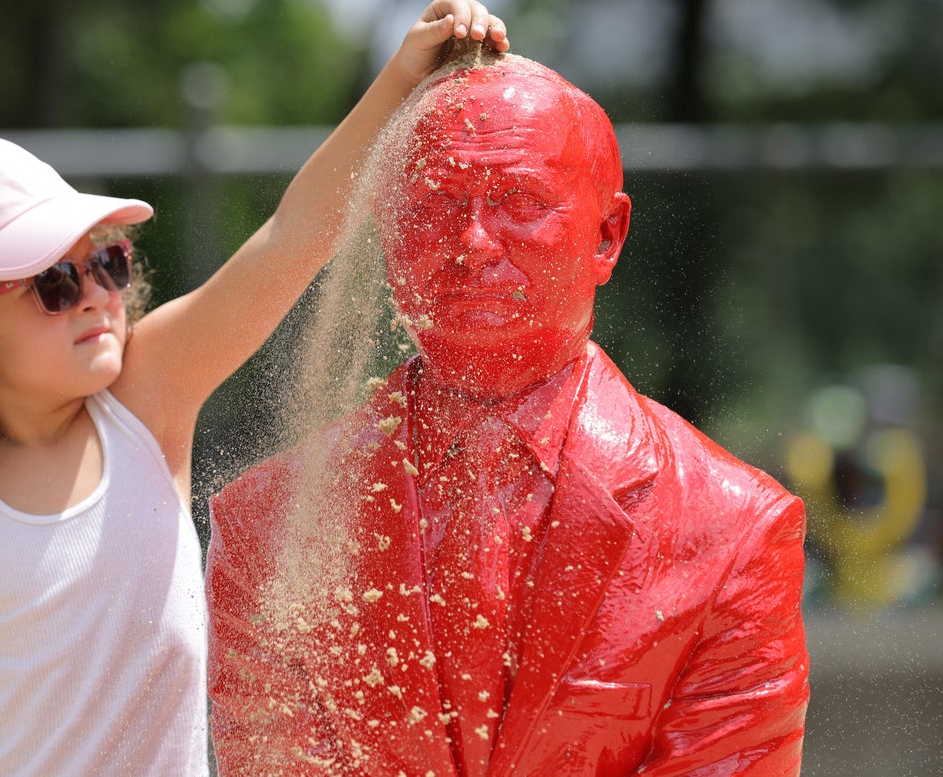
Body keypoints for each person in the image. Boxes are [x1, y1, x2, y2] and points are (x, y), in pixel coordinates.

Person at [0, 0, 511, 777]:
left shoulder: (145, 401)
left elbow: (289, 239)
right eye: (52, 280)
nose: (95, 294)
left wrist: (399, 79)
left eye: (106, 262)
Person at [206, 48, 810, 775]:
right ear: (388, 233)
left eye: (520, 202)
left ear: (607, 235)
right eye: (433, 206)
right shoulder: (267, 530)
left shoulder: (731, 532)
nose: (473, 242)